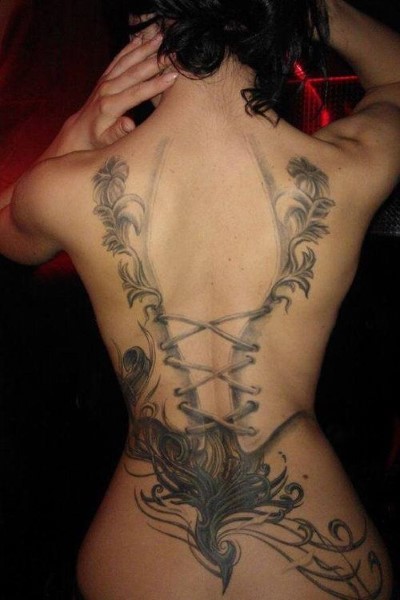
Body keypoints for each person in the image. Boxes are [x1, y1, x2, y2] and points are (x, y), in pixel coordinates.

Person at [1, 0, 399, 598]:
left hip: (136, 561)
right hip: (321, 559)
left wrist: (75, 131)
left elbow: (7, 234)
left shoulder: (70, 187)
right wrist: (319, 9)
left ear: (138, 25)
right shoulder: (342, 170)